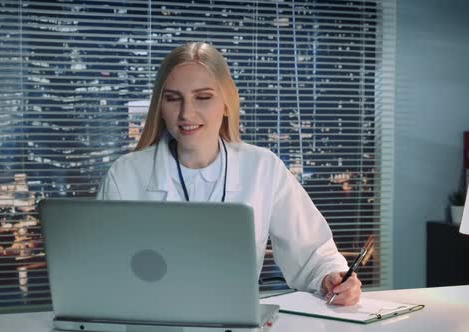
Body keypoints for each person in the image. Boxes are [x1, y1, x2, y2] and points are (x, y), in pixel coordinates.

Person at [97, 42, 362, 306]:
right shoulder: (125, 175)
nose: (186, 113)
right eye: (173, 98)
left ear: (226, 104)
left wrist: (332, 277)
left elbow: (312, 254)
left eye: (203, 97)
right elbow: (100, 270)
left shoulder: (263, 167)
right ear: (160, 106)